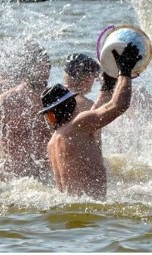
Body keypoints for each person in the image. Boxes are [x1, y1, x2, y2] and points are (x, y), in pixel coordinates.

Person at [40, 42, 142, 199]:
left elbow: (96, 112)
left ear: (51, 114)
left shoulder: (53, 141)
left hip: (72, 210)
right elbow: (119, 105)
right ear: (70, 104)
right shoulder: (78, 125)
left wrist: (108, 85)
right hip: (92, 210)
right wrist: (125, 71)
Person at [0, 43, 52, 180]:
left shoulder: (57, 102)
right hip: (13, 180)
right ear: (25, 68)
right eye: (38, 65)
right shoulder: (3, 104)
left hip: (48, 177)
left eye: (47, 65)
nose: (44, 70)